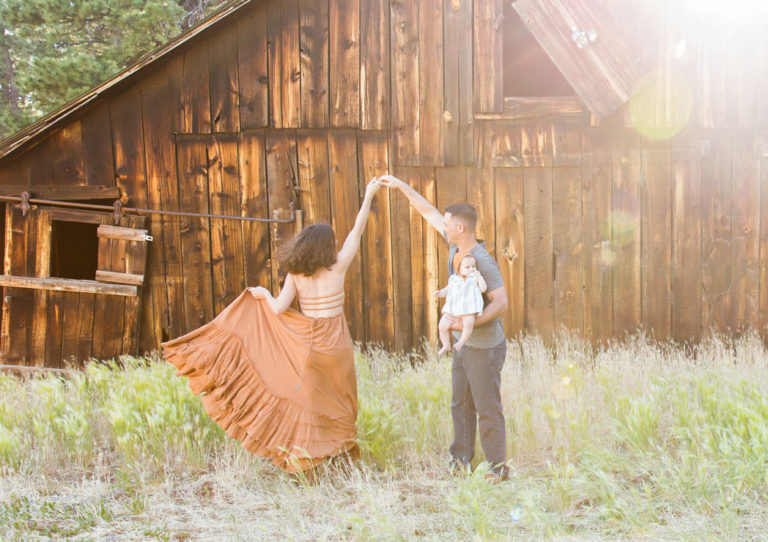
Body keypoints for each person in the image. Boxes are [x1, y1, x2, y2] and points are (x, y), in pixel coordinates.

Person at [162, 179, 383, 474]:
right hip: (337, 345)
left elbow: (278, 308)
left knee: (310, 399)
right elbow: (357, 230)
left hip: (310, 344)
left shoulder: (295, 274)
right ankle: (338, 451)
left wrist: (264, 294)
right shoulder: (338, 266)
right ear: (327, 247)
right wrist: (368, 194)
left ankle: (307, 459)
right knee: (341, 398)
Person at [378, 174, 509, 481]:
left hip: (485, 348)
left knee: (487, 406)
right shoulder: (456, 248)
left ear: (460, 228)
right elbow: (428, 211)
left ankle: (498, 469)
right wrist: (400, 184)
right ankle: (460, 460)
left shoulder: (482, 261)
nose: (444, 227)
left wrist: (471, 322)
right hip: (464, 346)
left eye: (448, 224)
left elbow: (501, 302)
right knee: (460, 403)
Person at [436, 251, 487, 355]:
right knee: (442, 325)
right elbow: (447, 289)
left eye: (473, 266)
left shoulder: (474, 278)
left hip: (469, 309)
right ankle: (446, 344)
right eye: (467, 267)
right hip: (453, 309)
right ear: (458, 268)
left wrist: (480, 278)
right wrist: (442, 292)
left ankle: (462, 341)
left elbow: (483, 289)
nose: (471, 269)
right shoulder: (454, 279)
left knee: (468, 323)